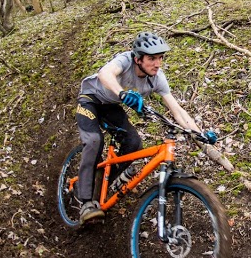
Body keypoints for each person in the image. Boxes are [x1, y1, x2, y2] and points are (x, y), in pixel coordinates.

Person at [74, 32, 217, 224]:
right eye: (152, 58)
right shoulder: (125, 60)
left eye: (160, 58)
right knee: (93, 141)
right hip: (90, 99)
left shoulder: (157, 78)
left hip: (111, 107)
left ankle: (103, 183)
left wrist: (199, 133)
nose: (157, 64)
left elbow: (177, 111)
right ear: (138, 59)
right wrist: (122, 94)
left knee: (134, 144)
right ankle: (85, 201)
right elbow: (105, 74)